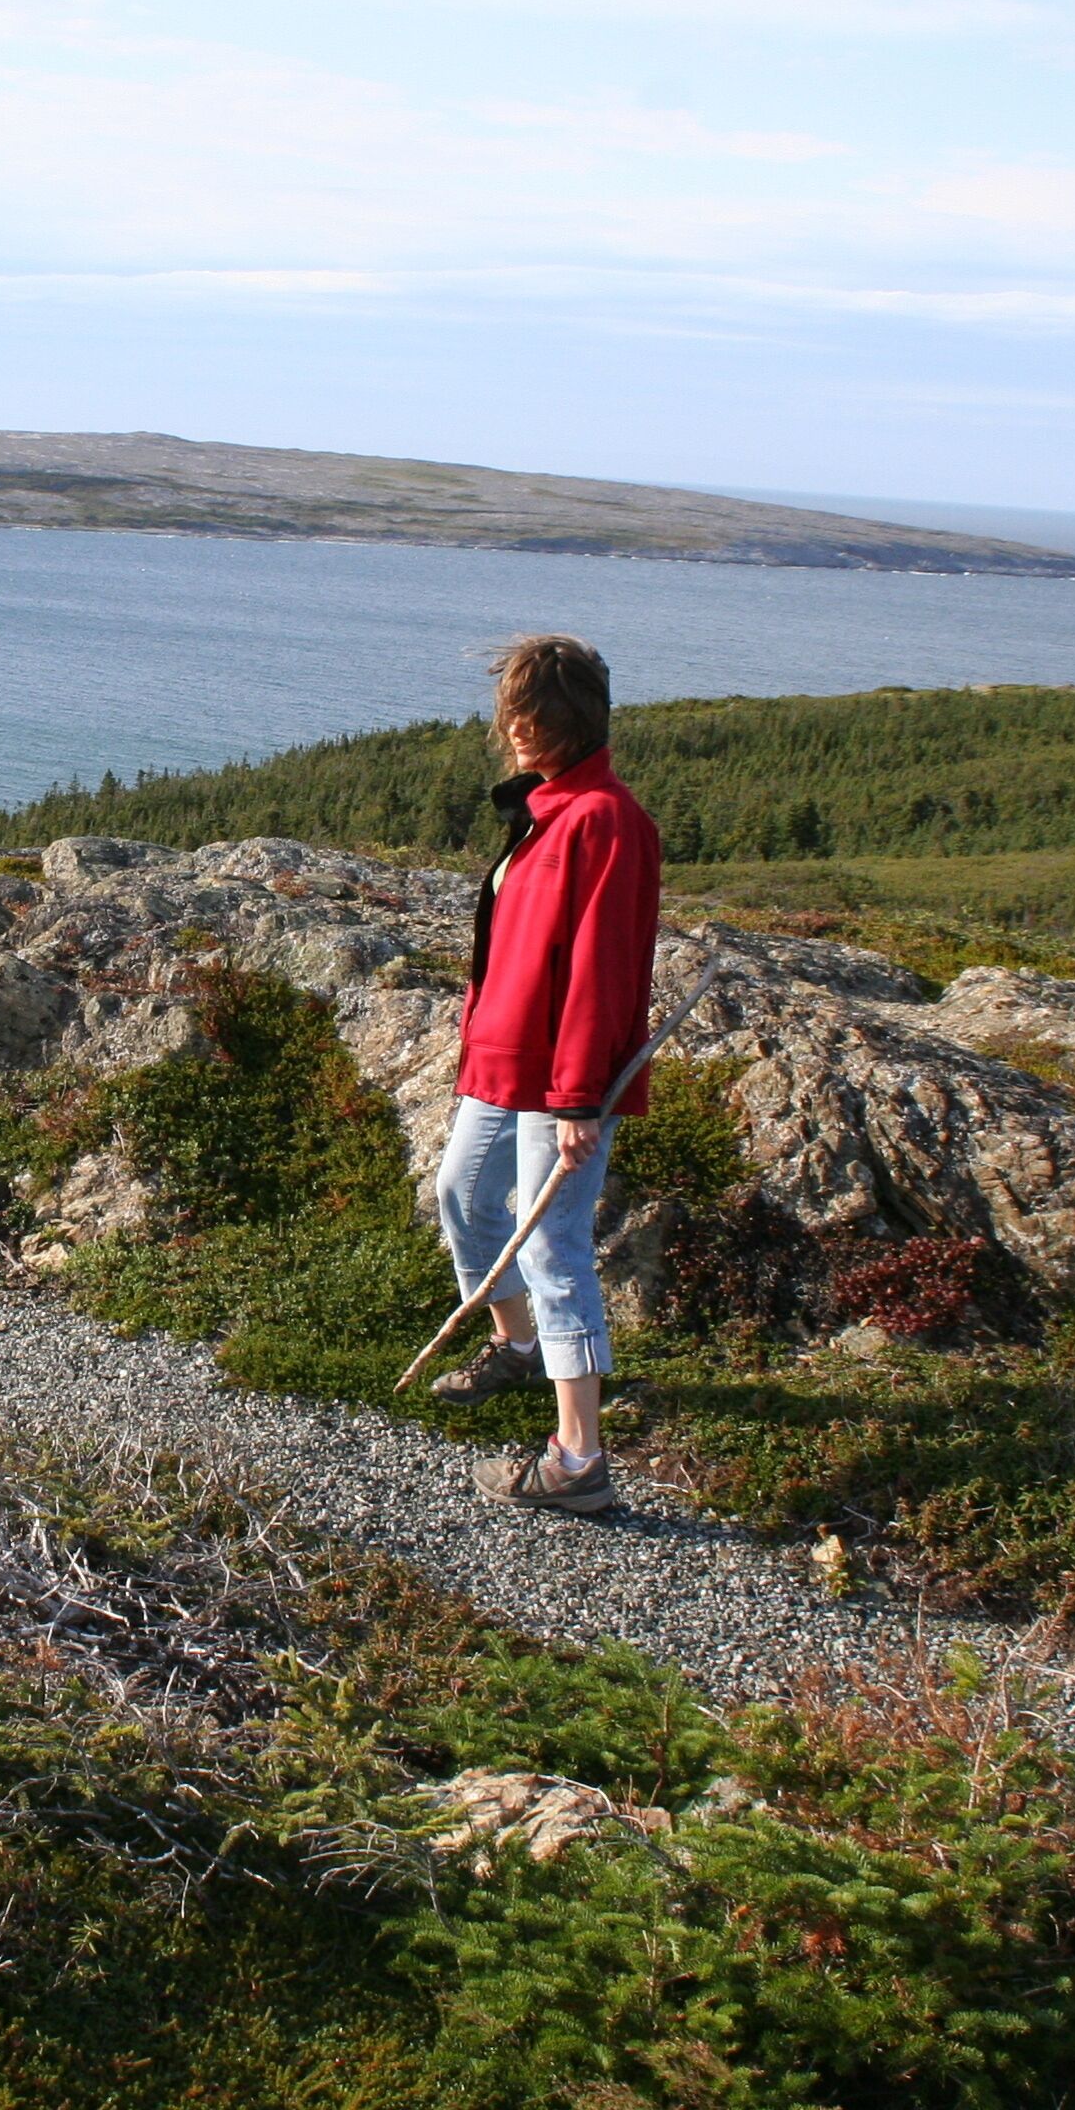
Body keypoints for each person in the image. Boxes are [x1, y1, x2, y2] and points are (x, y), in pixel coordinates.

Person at [431, 634, 661, 1513]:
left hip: (560, 1079)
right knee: (462, 1195)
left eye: (541, 719)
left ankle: (579, 1462)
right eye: (516, 718)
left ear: (582, 721)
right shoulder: (547, 810)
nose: (524, 734)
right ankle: (519, 1348)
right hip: (506, 1061)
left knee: (557, 1248)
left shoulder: (603, 819)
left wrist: (577, 1099)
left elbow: (601, 970)